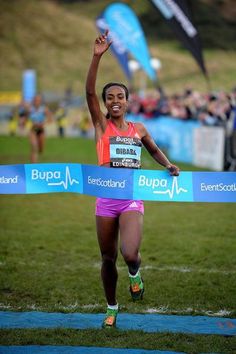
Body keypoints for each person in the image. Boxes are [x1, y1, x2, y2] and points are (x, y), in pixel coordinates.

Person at [85, 30, 180, 329]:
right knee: (107, 258)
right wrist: (96, 57)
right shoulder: (101, 126)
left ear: (127, 101)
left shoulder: (137, 128)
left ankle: (135, 273)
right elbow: (89, 94)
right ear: (105, 103)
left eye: (120, 97)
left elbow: (153, 150)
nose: (115, 101)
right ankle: (112, 306)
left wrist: (168, 165)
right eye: (110, 97)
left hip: (131, 198)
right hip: (105, 201)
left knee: (129, 253)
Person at [28, 94, 52, 163]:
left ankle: (39, 151)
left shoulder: (44, 109)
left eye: (38, 100)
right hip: (33, 130)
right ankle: (33, 166)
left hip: (41, 131)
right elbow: (25, 117)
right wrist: (23, 122)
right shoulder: (30, 109)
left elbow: (50, 119)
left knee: (41, 149)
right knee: (34, 148)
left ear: (40, 101)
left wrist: (43, 123)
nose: (36, 102)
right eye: (35, 100)